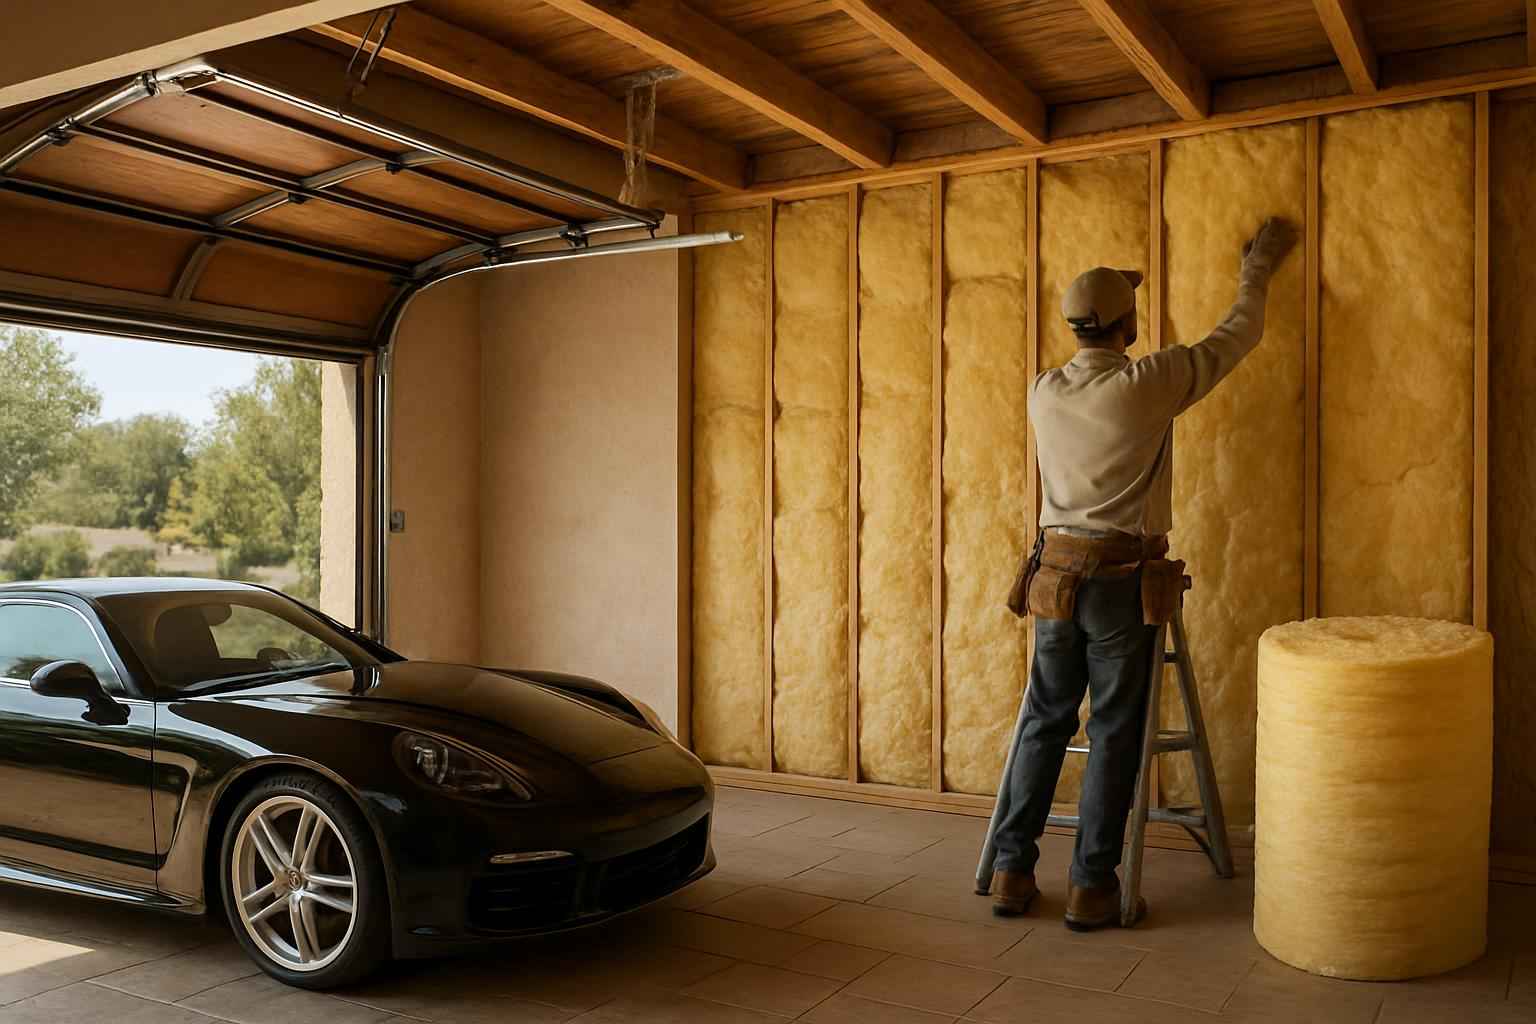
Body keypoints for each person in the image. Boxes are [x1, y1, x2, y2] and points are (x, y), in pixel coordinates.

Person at [991, 217, 1299, 930]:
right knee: (1115, 729)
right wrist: (1256, 270)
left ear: (1075, 327)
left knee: (1044, 721)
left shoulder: (1043, 390)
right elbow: (1238, 336)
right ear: (1127, 326)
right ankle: (1092, 887)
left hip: (1053, 576)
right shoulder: (1148, 383)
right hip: (1118, 581)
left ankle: (1011, 871)